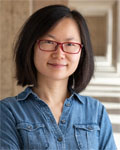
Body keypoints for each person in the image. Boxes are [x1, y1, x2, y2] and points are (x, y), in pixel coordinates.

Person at [0, 4, 117, 150]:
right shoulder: (8, 111)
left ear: (82, 52)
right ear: (30, 47)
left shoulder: (95, 111)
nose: (59, 54)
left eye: (69, 44)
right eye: (49, 42)